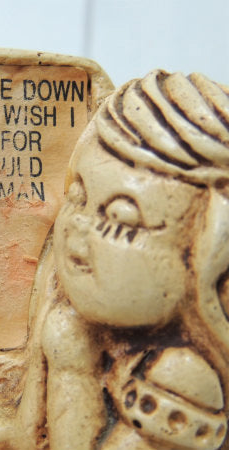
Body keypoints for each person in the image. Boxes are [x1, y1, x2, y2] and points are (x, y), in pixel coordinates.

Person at [20, 70, 229, 450]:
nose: (79, 226)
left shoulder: (182, 377)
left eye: (121, 219)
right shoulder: (76, 330)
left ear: (205, 255)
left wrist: (73, 369)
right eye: (78, 197)